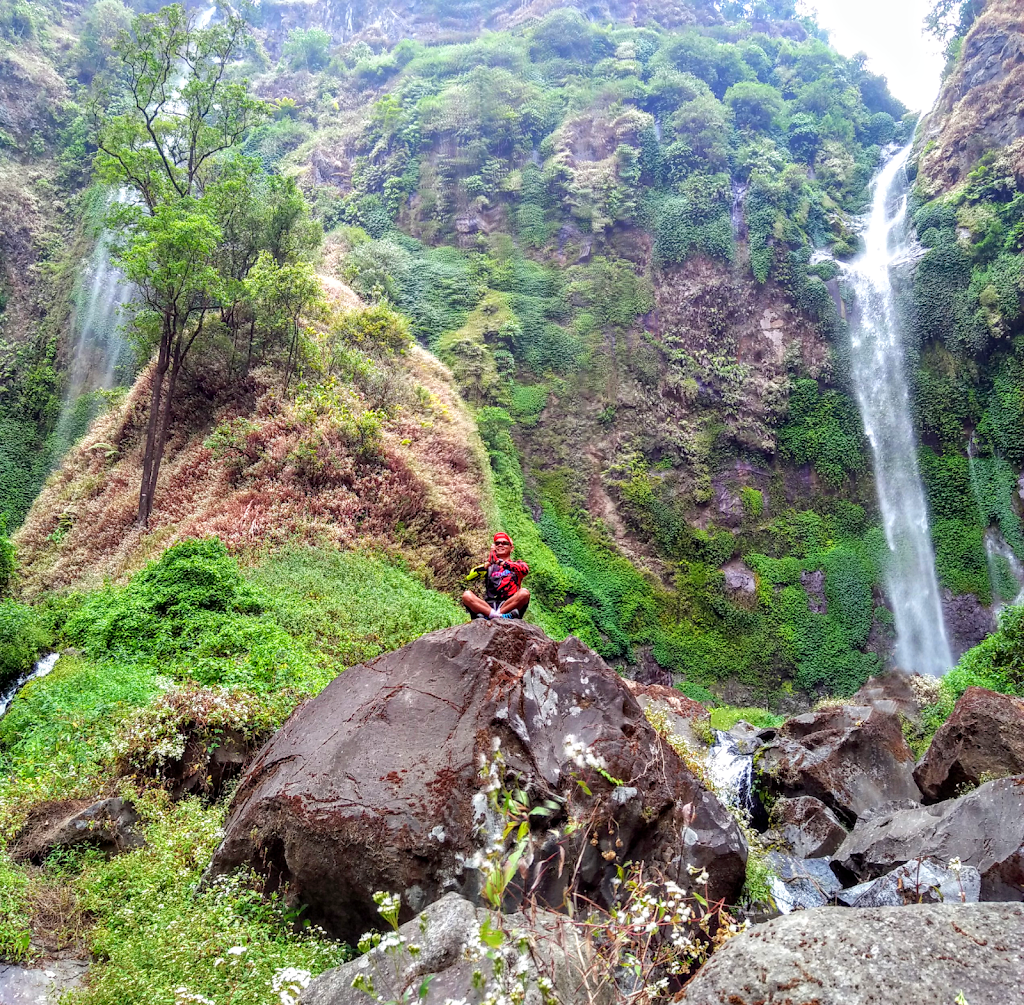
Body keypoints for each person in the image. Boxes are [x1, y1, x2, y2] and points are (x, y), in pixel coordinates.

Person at [462, 532, 530, 620]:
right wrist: (488, 563)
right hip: (489, 606)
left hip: (509, 605)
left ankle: (497, 615)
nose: (500, 545)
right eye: (497, 543)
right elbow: (470, 577)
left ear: (511, 548)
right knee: (467, 595)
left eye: (504, 543)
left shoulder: (517, 565)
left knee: (524, 593)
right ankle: (496, 615)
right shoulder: (488, 566)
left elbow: (525, 570)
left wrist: (501, 563)